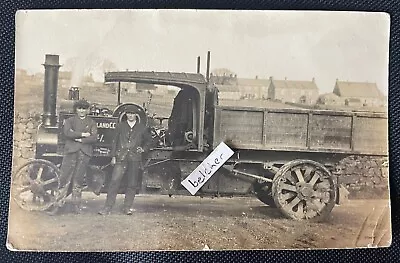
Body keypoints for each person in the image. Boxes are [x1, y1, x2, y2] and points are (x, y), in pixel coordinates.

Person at [98, 106, 152, 215]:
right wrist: (113, 156)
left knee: (132, 184)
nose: (130, 115)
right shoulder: (120, 126)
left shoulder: (142, 128)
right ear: (125, 114)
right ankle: (107, 207)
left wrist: (143, 149)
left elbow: (149, 141)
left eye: (132, 113)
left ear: (136, 115)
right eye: (128, 113)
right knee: (114, 182)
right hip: (120, 158)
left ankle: (127, 207)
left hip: (134, 158)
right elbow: (114, 142)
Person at [59, 99, 98, 213]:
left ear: (88, 110)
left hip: (84, 153)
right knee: (64, 178)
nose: (82, 111)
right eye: (80, 108)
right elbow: (67, 133)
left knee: (78, 180)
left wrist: (78, 139)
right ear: (76, 109)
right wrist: (83, 134)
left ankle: (76, 206)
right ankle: (58, 204)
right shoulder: (69, 121)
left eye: (84, 109)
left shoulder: (92, 122)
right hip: (71, 152)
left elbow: (94, 137)